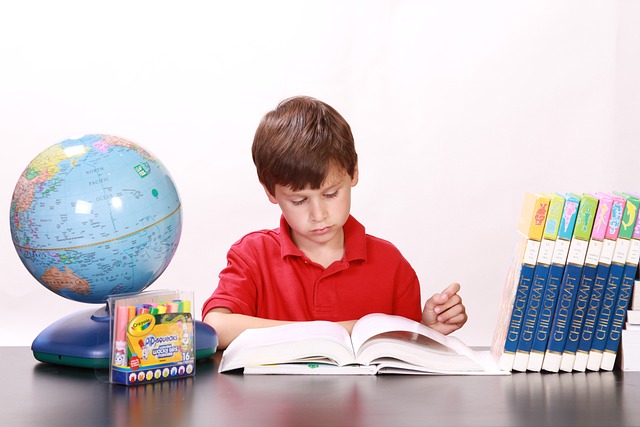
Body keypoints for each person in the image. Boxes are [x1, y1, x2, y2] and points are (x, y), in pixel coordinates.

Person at [202, 96, 467, 349]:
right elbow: (216, 326)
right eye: (299, 201)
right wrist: (340, 330)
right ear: (271, 192)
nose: (318, 214)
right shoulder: (253, 255)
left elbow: (405, 349)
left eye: (330, 194)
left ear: (353, 173)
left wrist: (426, 330)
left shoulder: (391, 263)